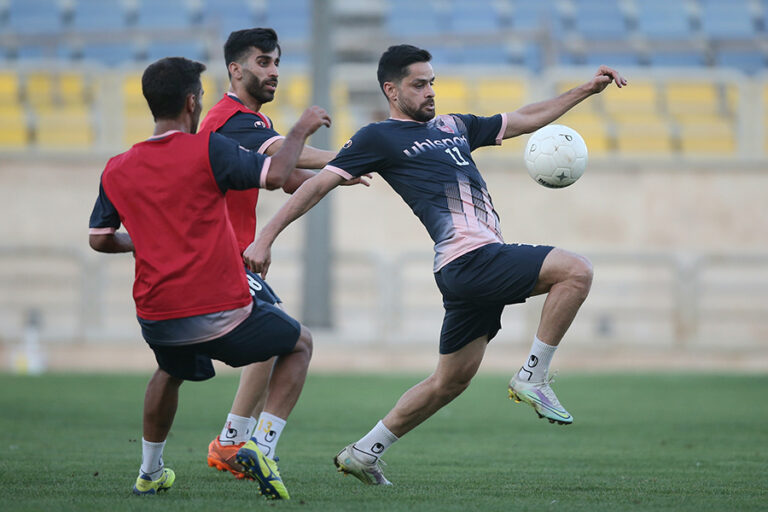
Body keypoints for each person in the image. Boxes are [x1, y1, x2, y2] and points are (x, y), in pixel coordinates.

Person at [243, 44, 627, 486]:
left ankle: (364, 453)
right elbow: (316, 188)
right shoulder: (377, 137)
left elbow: (524, 119)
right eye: (419, 84)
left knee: (449, 382)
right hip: (470, 260)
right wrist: (265, 237)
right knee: (575, 270)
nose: (430, 92)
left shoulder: (454, 125)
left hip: (466, 271)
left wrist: (586, 90)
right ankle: (533, 376)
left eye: (432, 83)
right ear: (391, 89)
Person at [87, 56, 330, 499]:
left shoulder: (117, 166)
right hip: (221, 308)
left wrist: (141, 241)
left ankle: (150, 470)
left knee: (168, 369)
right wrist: (302, 129)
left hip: (157, 315)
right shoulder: (208, 148)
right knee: (298, 343)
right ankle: (260, 446)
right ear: (192, 103)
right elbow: (275, 176)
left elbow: (100, 239)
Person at [199, 28, 365, 479]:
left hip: (226, 255)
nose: (273, 72)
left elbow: (289, 178)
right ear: (235, 70)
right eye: (263, 63)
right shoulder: (233, 119)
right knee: (295, 340)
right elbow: (294, 160)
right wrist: (357, 156)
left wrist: (337, 174)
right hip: (218, 256)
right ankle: (253, 446)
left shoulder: (247, 124)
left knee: (271, 341)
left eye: (276, 63)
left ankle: (232, 442)